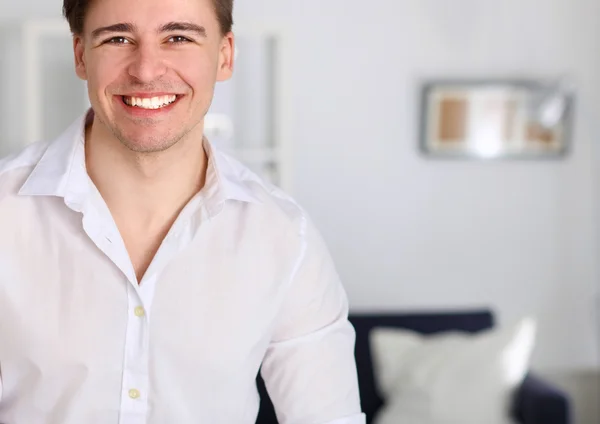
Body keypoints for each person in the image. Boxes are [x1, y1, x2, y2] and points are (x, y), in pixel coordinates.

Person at [0, 0, 365, 423]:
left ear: (225, 55)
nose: (147, 69)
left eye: (178, 38)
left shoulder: (284, 237)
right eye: (118, 38)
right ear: (81, 55)